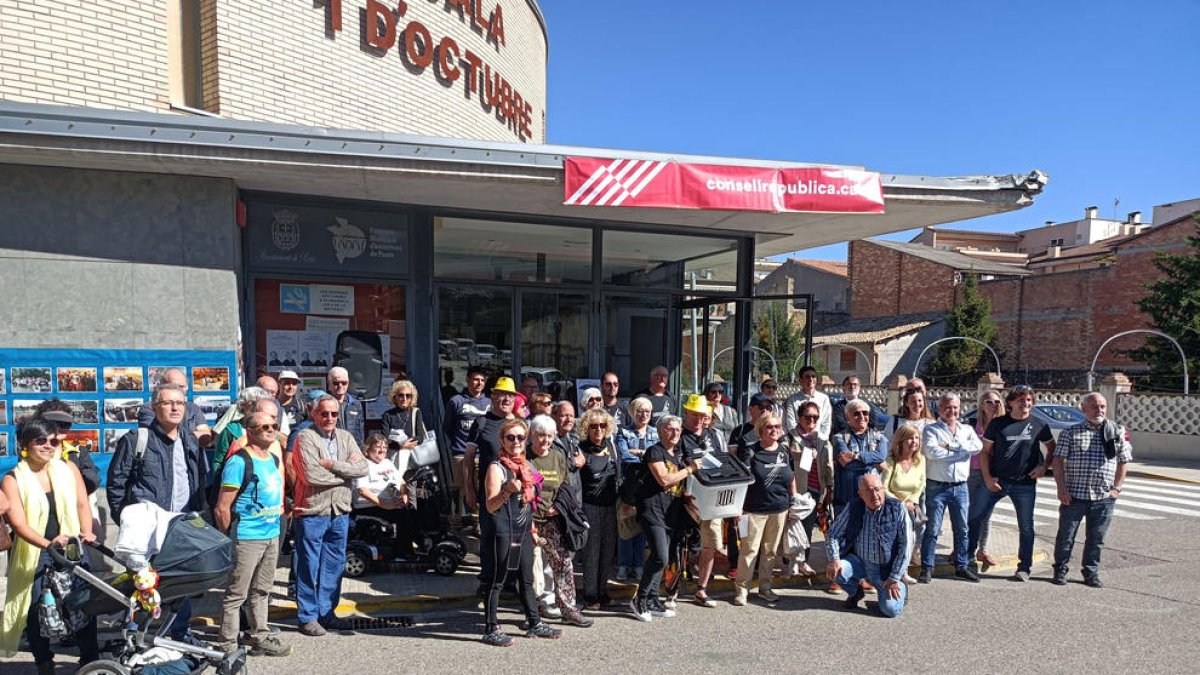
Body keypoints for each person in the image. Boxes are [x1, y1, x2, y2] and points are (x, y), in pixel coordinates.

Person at [107, 382, 209, 644]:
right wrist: (127, 520)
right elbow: (117, 484)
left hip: (180, 525)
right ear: (155, 407)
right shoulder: (136, 440)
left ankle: (179, 634)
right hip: (147, 527)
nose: (175, 407)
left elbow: (196, 479)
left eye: (180, 402)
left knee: (180, 582)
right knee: (141, 583)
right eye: (168, 402)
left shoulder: (189, 440)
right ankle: (130, 636)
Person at [1, 419, 99, 672]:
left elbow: (81, 504)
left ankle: (91, 658)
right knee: (37, 609)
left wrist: (87, 531)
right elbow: (19, 524)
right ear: (25, 444)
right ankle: (44, 661)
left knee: (85, 604)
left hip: (72, 546)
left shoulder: (68, 468)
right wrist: (48, 544)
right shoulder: (13, 479)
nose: (48, 446)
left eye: (54, 441)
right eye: (40, 440)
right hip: (36, 551)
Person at [212, 411, 291, 657]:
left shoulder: (273, 460)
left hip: (271, 534)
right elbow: (222, 507)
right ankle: (227, 644)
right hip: (246, 536)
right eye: (264, 427)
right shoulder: (239, 461)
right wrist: (228, 538)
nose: (270, 430)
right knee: (237, 593)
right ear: (250, 432)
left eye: (274, 426)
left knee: (262, 590)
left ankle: (260, 635)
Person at [480, 419, 563, 646]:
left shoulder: (527, 467)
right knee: (497, 581)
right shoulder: (496, 468)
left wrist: (533, 529)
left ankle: (535, 622)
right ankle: (490, 628)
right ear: (502, 440)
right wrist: (507, 490)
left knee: (526, 580)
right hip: (502, 530)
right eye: (510, 437)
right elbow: (490, 505)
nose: (516, 442)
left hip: (524, 529)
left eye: (520, 437)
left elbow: (530, 503)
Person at [291, 395, 368, 636]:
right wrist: (346, 474)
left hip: (340, 511)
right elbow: (311, 476)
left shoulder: (346, 437)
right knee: (308, 566)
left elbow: (363, 467)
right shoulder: (305, 438)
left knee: (333, 567)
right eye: (324, 413)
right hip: (314, 511)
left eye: (334, 414)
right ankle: (307, 616)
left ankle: (327, 613)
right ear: (314, 414)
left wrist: (332, 465)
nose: (330, 418)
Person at [968, 385, 1055, 582]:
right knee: (974, 518)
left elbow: (1052, 449)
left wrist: (1043, 467)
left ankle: (1024, 567)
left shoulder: (1040, 424)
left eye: (1029, 400)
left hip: (1025, 484)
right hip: (998, 482)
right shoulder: (998, 424)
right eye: (1020, 400)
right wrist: (988, 478)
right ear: (1010, 403)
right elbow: (984, 452)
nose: (1025, 404)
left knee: (1026, 527)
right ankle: (967, 561)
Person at [1050, 393, 1132, 587]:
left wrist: (1116, 489)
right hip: (1074, 495)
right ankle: (1060, 569)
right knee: (1066, 536)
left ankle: (1091, 572)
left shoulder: (1116, 431)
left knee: (1096, 539)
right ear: (1083, 409)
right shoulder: (1070, 433)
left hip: (1103, 497)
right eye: (1094, 406)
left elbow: (1123, 462)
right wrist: (1061, 489)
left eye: (1102, 406)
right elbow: (1058, 461)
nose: (1099, 410)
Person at [527, 415, 592, 627]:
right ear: (532, 436)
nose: (545, 440)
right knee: (531, 570)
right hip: (530, 522)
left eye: (549, 436)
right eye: (540, 435)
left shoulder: (558, 457)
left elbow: (565, 487)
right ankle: (533, 611)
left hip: (553, 521)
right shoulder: (524, 458)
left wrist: (559, 506)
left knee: (563, 564)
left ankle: (569, 609)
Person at [630, 415, 692, 622]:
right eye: (670, 429)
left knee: (661, 558)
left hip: (670, 514)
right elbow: (664, 479)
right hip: (651, 510)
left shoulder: (677, 456)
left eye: (677, 429)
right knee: (660, 556)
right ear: (660, 431)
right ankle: (639, 599)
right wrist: (690, 470)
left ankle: (652, 598)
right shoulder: (655, 451)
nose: (675, 433)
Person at [825, 474, 911, 618]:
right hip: (860, 563)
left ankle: (899, 589)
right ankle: (855, 592)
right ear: (860, 494)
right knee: (835, 571)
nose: (875, 495)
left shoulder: (897, 508)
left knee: (890, 611)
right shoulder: (854, 506)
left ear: (883, 489)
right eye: (869, 491)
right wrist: (834, 559)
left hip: (886, 570)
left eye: (877, 489)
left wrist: (895, 577)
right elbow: (833, 534)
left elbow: (906, 546)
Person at [731, 413, 795, 606]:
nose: (773, 430)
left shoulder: (784, 450)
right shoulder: (751, 452)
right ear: (760, 430)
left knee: (770, 552)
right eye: (769, 427)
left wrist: (794, 502)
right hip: (753, 510)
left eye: (777, 426)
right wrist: (738, 508)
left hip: (779, 509)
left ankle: (765, 587)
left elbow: (791, 477)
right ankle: (742, 589)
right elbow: (741, 480)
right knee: (749, 550)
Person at [919, 393, 982, 583]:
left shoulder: (967, 429)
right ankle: (927, 567)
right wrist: (961, 451)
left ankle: (961, 566)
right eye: (947, 407)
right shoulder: (931, 430)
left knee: (962, 528)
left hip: (961, 487)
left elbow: (977, 447)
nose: (951, 411)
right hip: (936, 487)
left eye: (955, 407)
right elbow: (931, 452)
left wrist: (950, 446)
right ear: (940, 409)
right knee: (933, 529)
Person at [464, 377, 519, 593]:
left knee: (514, 538)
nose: (507, 399)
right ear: (493, 396)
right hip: (490, 494)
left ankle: (510, 581)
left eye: (511, 395)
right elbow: (468, 458)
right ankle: (487, 580)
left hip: (515, 494)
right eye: (502, 394)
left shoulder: (519, 423)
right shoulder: (482, 423)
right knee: (489, 537)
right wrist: (469, 487)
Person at [678, 393, 727, 608]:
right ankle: (673, 587)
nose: (698, 418)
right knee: (681, 544)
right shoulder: (678, 435)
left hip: (712, 497)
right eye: (694, 414)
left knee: (711, 544)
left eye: (702, 415)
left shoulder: (714, 436)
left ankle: (701, 589)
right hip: (685, 498)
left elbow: (723, 462)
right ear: (686, 413)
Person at [577, 408, 620, 609]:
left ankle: (603, 591)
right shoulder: (581, 449)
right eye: (594, 426)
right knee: (591, 552)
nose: (598, 430)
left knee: (607, 550)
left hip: (610, 505)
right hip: (590, 507)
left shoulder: (611, 446)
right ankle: (590, 594)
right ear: (587, 427)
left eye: (602, 425)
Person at [615, 397, 657, 581]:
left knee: (642, 529)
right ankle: (624, 566)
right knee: (625, 528)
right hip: (628, 487)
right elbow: (624, 456)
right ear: (632, 412)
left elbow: (657, 456)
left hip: (648, 488)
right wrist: (646, 457)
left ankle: (638, 566)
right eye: (640, 411)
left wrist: (640, 454)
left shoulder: (656, 433)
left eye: (647, 411)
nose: (643, 415)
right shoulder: (623, 432)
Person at [790, 400, 832, 579]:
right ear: (800, 418)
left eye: (815, 417)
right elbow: (788, 455)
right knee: (792, 528)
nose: (812, 420)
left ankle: (803, 562)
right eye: (808, 417)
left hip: (815, 489)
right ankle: (790, 562)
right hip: (797, 488)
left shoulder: (823, 440)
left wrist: (829, 488)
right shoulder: (790, 437)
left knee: (807, 529)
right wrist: (804, 454)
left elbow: (829, 466)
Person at [882, 425, 926, 585]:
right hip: (892, 508)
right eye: (910, 438)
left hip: (910, 508)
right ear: (900, 441)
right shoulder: (891, 460)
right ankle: (890, 572)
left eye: (916, 438)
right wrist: (900, 503)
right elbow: (884, 487)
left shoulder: (920, 460)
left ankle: (903, 571)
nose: (914, 441)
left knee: (909, 540)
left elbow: (921, 484)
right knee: (895, 542)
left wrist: (912, 501)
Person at [445, 367, 490, 515]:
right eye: (476, 379)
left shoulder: (489, 403)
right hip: (461, 453)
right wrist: (459, 442)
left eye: (482, 380)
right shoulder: (456, 401)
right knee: (459, 490)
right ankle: (455, 523)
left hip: (482, 455)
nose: (479, 383)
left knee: (479, 489)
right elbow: (448, 427)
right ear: (468, 380)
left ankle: (476, 522)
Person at [969, 390, 1005, 570]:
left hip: (992, 474)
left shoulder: (1004, 426)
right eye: (989, 402)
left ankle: (982, 549)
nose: (993, 405)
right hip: (973, 472)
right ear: (982, 405)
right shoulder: (972, 425)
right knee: (969, 512)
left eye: (997, 402)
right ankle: (964, 548)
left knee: (986, 514)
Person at [831, 399, 889, 511]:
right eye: (856, 413)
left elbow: (881, 456)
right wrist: (874, 463)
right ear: (848, 418)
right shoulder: (839, 438)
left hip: (872, 499)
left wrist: (855, 456)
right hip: (847, 498)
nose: (861, 416)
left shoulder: (880, 438)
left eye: (865, 413)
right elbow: (849, 466)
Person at [136, 367, 213, 447]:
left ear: (187, 387)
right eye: (174, 386)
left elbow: (206, 438)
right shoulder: (150, 408)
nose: (178, 390)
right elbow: (157, 438)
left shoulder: (193, 409)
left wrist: (178, 435)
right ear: (162, 386)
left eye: (182, 387)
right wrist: (193, 436)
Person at [380, 379, 427, 457]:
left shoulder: (416, 412)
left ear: (412, 398)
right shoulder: (388, 415)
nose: (404, 399)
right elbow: (384, 440)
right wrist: (401, 446)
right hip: (394, 457)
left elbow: (420, 437)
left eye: (408, 395)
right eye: (401, 395)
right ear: (394, 397)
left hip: (413, 457)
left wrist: (407, 444)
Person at [783, 366, 832, 441]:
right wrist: (802, 441)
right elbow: (791, 424)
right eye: (807, 377)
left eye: (813, 376)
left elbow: (826, 423)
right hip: (799, 441)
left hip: (819, 440)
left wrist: (821, 440)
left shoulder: (824, 399)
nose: (811, 379)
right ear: (800, 380)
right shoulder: (792, 400)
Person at [326, 367, 363, 445]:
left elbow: (360, 430)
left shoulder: (356, 404)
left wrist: (360, 448)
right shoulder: (323, 403)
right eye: (336, 383)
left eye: (344, 383)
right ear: (329, 384)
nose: (340, 386)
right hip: (332, 448)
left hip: (352, 449)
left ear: (348, 383)